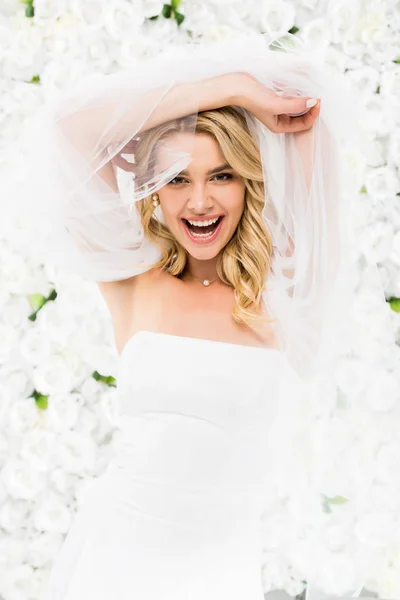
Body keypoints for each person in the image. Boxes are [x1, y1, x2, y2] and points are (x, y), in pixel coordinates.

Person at [5, 35, 372, 600]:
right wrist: (229, 88)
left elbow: (303, 95)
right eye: (177, 179)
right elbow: (70, 129)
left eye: (221, 175)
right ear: (153, 191)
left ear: (249, 184)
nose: (199, 202)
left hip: (219, 576)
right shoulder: (133, 278)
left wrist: (253, 104)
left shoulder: (284, 293)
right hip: (113, 563)